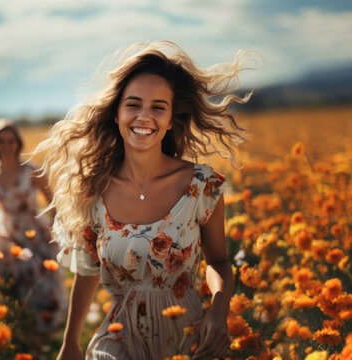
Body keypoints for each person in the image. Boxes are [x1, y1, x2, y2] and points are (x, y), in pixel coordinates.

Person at [33, 41, 253, 360]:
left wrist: (219, 310)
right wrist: (70, 344)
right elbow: (88, 271)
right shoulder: (92, 191)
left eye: (158, 107)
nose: (144, 117)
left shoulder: (201, 186)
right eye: (133, 104)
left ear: (170, 118)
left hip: (188, 336)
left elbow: (219, 262)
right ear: (117, 112)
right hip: (119, 337)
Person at [0, 119, 66, 353]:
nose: (6, 145)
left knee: (43, 280)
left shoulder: (30, 170)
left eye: (11, 141)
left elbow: (53, 200)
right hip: (8, 232)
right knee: (19, 283)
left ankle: (46, 335)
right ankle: (27, 333)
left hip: (36, 232)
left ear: (17, 143)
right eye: (1, 141)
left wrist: (55, 224)